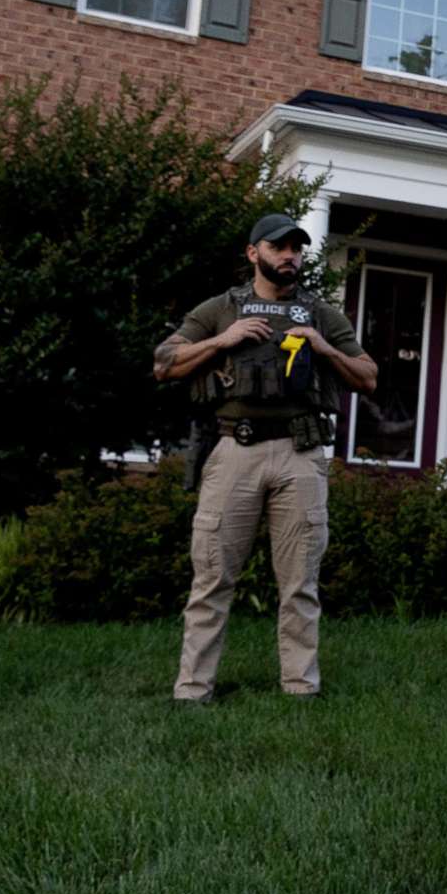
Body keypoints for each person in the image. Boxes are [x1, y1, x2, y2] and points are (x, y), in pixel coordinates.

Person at [154, 212, 375, 703]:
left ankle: (301, 687)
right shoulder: (221, 308)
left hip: (301, 455)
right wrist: (221, 340)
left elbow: (368, 376)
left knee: (300, 581)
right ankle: (192, 689)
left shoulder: (320, 313)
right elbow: (164, 363)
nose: (289, 255)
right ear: (254, 254)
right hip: (236, 450)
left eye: (296, 248)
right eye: (278, 247)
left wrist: (324, 349)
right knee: (212, 575)